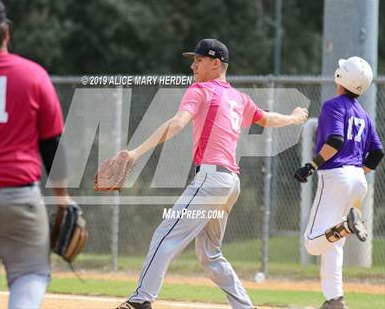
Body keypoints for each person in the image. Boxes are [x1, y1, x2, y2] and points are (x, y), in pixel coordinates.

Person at [116, 38, 308, 309]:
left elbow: (177, 123)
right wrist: (295, 118)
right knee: (210, 254)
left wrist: (136, 152)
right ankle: (244, 307)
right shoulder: (239, 98)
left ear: (216, 63)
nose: (193, 65)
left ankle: (141, 300)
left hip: (210, 179)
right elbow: (268, 119)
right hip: (230, 184)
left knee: (165, 236)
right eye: (193, 60)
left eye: (199, 59)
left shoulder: (200, 90)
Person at [0, 0, 73, 308]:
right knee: (31, 274)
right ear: (6, 33)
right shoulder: (32, 75)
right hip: (16, 197)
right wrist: (62, 198)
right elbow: (52, 144)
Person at [294, 56, 383, 309]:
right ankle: (334, 300)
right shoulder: (363, 114)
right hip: (357, 179)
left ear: (341, 77)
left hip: (336, 175)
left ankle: (346, 226)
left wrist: (312, 165)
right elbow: (377, 154)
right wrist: (356, 172)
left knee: (312, 244)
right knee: (333, 243)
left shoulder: (334, 106)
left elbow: (334, 140)